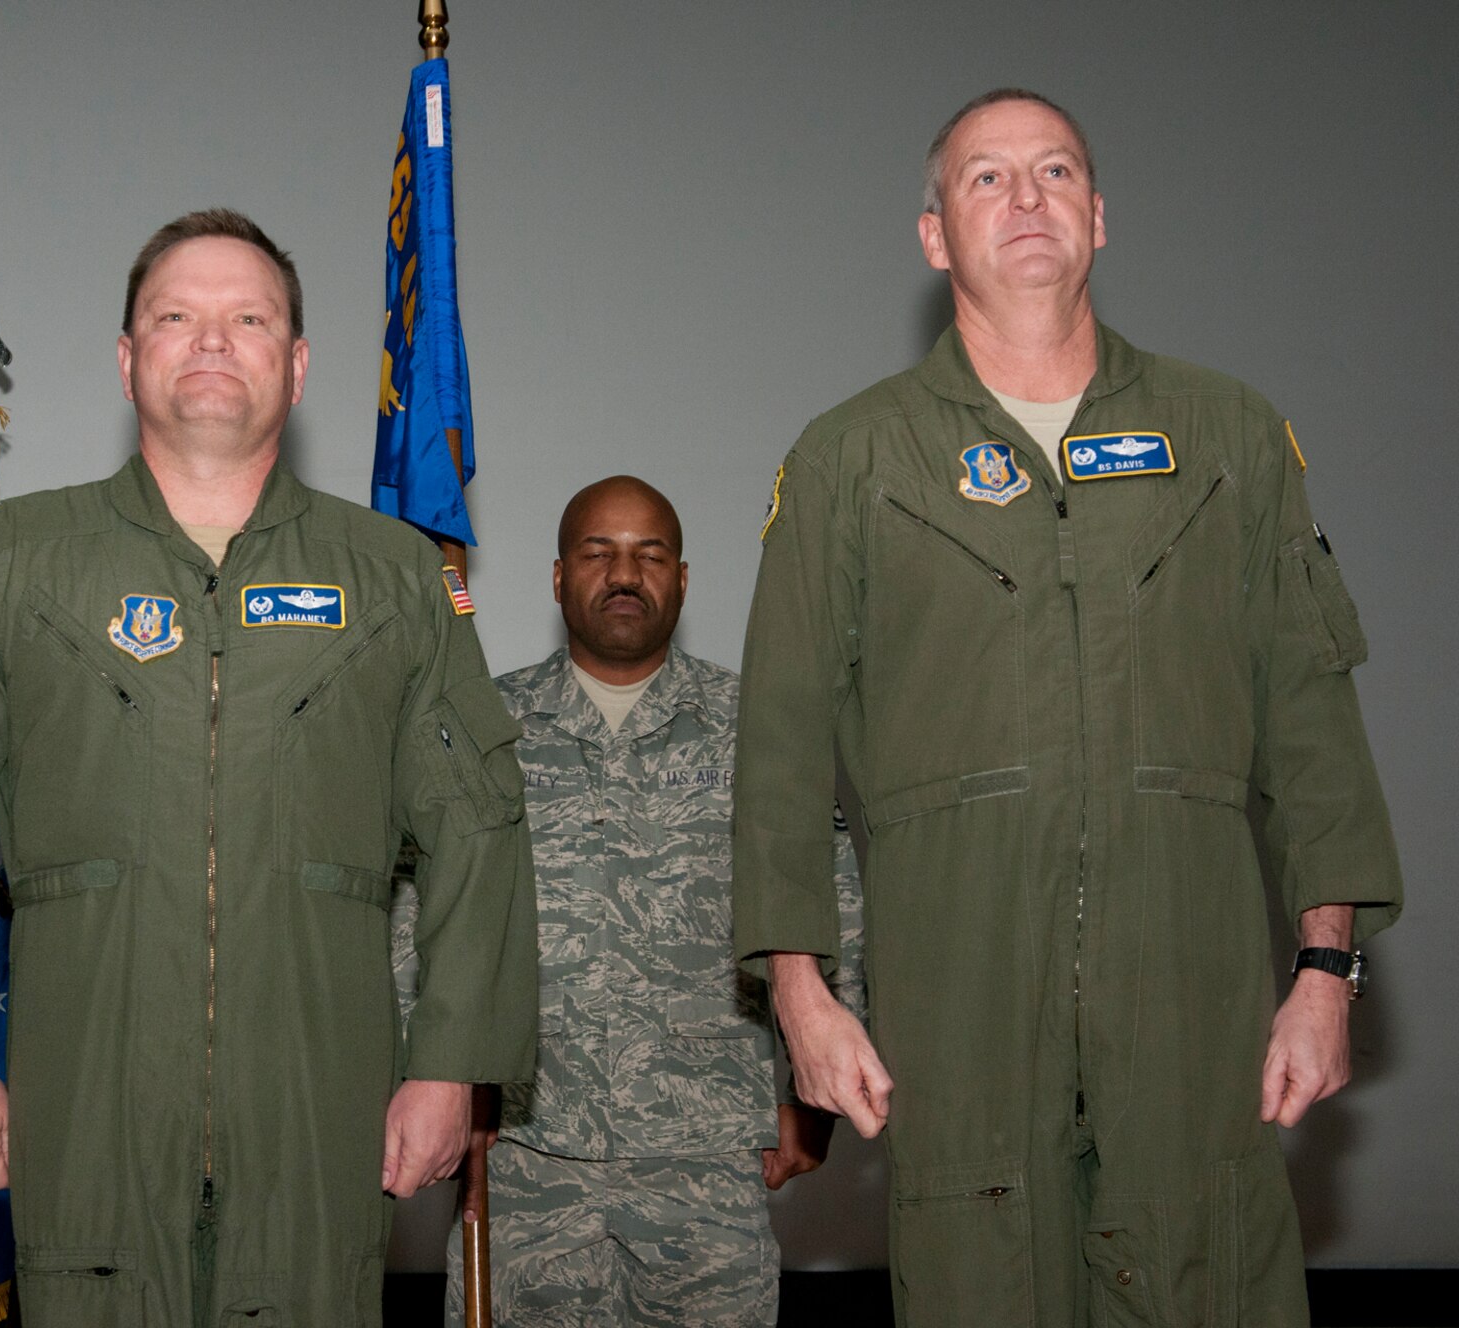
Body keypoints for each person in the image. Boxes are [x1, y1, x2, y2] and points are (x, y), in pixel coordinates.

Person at [733, 90, 1403, 1327]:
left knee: (1208, 1264)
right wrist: (799, 990)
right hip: (959, 983)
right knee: (977, 1278)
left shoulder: (1226, 436)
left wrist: (1322, 967)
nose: (1024, 198)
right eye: (984, 179)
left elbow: (1307, 717)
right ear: (933, 234)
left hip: (1189, 979)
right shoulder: (848, 460)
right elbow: (777, 749)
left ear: (1098, 214)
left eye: (1053, 171)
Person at [0, 208, 538, 1326]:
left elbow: (478, 827)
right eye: (176, 317)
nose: (212, 340)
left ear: (298, 364)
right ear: (127, 361)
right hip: (88, 1104)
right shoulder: (12, 560)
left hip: (317, 1112)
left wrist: (451, 1062)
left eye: (249, 318)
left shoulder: (398, 577)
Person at [429, 476, 864, 1325]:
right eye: (598, 553)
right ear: (558, 578)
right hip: (523, 1160)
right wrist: (433, 1085)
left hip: (704, 1168)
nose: (623, 573)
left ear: (684, 579)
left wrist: (816, 1104)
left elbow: (830, 908)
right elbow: (426, 916)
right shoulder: (489, 729)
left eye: (649, 554)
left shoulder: (758, 729)